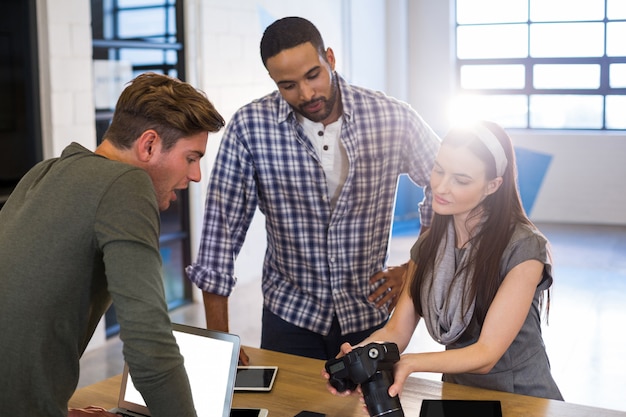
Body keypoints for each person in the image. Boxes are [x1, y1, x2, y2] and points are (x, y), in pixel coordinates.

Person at [186, 16, 440, 363]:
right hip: (290, 315)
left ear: (330, 59)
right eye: (288, 85)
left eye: (313, 75)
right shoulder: (249, 128)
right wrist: (219, 344)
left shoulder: (391, 116)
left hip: (369, 313)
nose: (306, 94)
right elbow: (220, 236)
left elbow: (447, 186)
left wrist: (415, 266)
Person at [0, 72, 225, 417]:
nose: (195, 176)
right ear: (149, 145)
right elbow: (150, 348)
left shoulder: (43, 173)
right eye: (191, 158)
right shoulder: (127, 184)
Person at [325, 120, 563, 405]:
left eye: (461, 180)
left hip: (521, 397)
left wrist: (411, 363)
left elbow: (486, 353)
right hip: (458, 394)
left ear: (492, 186)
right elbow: (396, 330)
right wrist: (358, 356)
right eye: (439, 169)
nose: (440, 186)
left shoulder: (524, 247)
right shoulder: (429, 245)